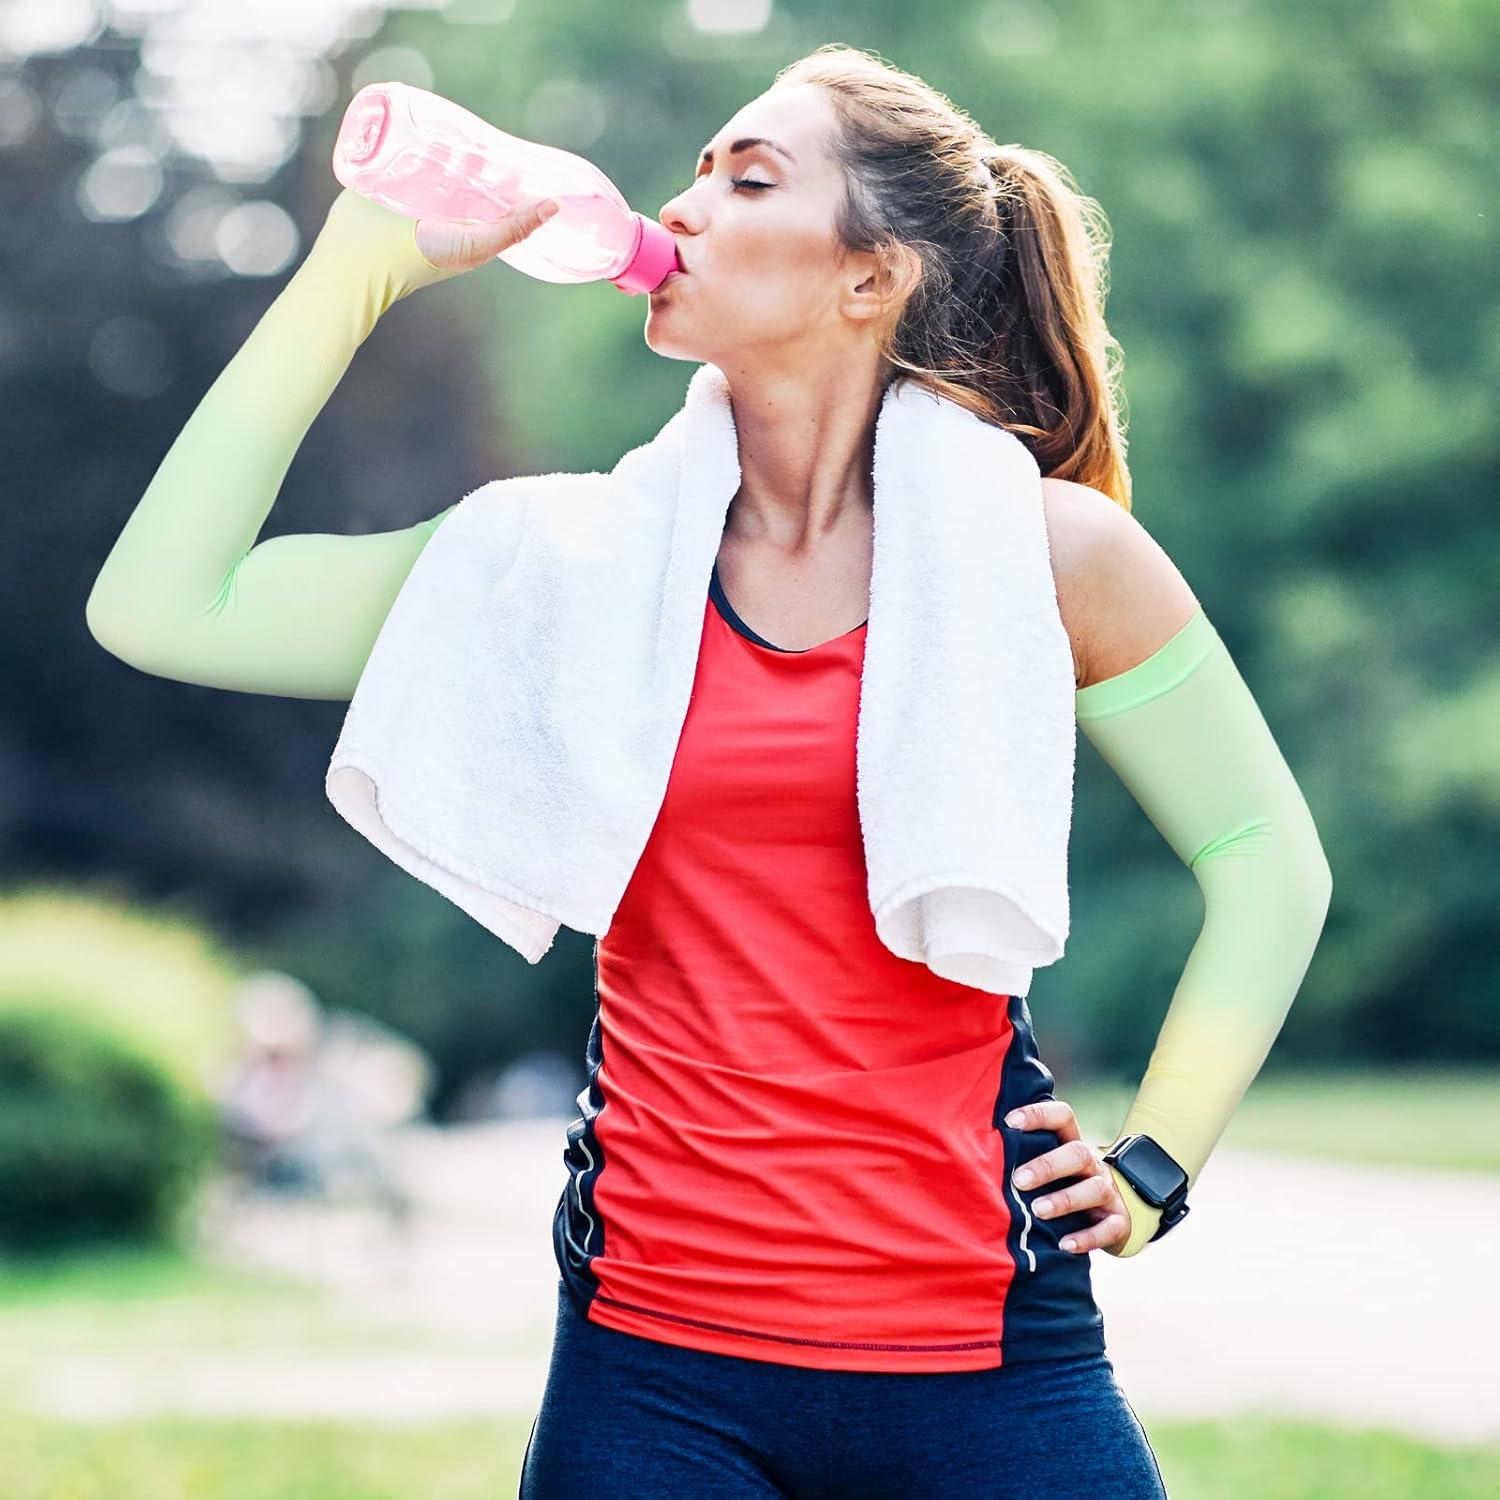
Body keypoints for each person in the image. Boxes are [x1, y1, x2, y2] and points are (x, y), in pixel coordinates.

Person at [86, 42, 1331, 1500]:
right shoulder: (558, 568)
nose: (681, 207)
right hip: (651, 1374)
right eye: (696, 172)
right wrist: (354, 273)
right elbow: (163, 607)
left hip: (986, 1355)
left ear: (869, 277)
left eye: (749, 180)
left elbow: (1267, 859)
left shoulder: (1049, 556)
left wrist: (1155, 1166)